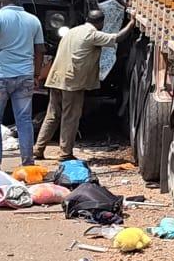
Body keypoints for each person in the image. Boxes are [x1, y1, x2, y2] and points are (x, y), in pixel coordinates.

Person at [35, 11, 133, 160]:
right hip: (72, 83)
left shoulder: (72, 31)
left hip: (56, 78)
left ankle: (38, 149)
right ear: (101, 23)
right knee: (70, 117)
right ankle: (65, 153)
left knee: (52, 116)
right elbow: (117, 38)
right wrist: (132, 22)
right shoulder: (92, 35)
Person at [0, 0, 43, 169]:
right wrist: (36, 73)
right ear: (17, 0)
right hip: (25, 75)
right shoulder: (33, 20)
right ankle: (27, 162)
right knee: (24, 120)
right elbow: (40, 49)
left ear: (0, 1)